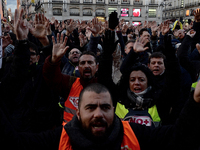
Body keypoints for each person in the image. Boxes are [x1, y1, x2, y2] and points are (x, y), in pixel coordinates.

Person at [1, 83, 200, 150]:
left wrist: (196, 101)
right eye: (90, 108)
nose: (99, 114)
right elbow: (13, 143)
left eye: (105, 107)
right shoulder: (59, 139)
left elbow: (178, 136)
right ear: (77, 113)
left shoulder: (134, 135)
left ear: (114, 110)